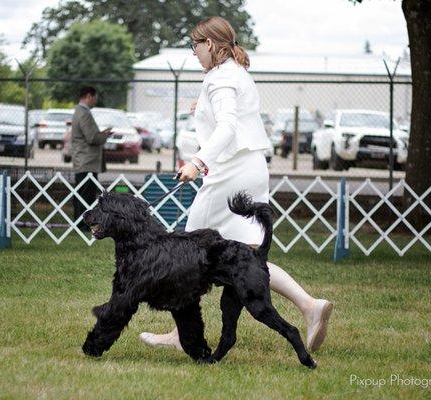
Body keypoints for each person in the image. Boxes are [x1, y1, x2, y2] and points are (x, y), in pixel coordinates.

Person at [140, 16, 333, 352]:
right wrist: (202, 108)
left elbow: (228, 127)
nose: (194, 53)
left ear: (210, 45)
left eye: (195, 46)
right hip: (250, 167)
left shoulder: (219, 80)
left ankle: (180, 335)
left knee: (186, 252)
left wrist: (197, 162)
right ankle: (309, 305)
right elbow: (233, 116)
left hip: (229, 172)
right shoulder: (234, 73)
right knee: (248, 257)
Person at [72, 86, 112, 230]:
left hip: (83, 160)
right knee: (85, 194)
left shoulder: (79, 111)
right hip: (86, 161)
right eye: (95, 97)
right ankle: (82, 223)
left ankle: (80, 222)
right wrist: (104, 135)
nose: (95, 100)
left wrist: (100, 134)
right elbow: (91, 138)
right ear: (89, 96)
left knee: (82, 192)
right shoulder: (84, 113)